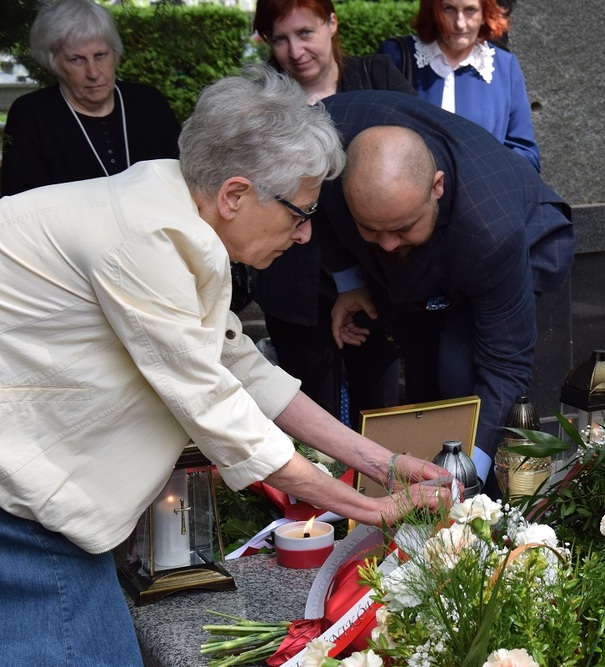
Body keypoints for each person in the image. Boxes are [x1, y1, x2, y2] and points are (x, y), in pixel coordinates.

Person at [0, 68, 451, 665]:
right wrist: (372, 509)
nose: (305, 234)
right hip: (21, 516)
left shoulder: (169, 214)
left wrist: (383, 463)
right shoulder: (146, 238)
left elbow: (242, 368)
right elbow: (214, 403)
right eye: (299, 212)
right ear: (236, 194)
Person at [318, 90, 573, 497]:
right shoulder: (323, 146)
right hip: (427, 260)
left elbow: (505, 364)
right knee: (421, 371)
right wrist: (351, 284)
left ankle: (483, 497)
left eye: (401, 228)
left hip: (521, 236)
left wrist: (465, 477)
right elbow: (321, 214)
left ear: (436, 186)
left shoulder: (492, 231)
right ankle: (419, 491)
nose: (385, 245)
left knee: (459, 365)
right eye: (370, 230)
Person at [251, 0, 413, 427]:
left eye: (305, 33)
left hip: (375, 272)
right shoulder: (261, 98)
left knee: (377, 410)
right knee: (310, 412)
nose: (295, 50)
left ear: (332, 24)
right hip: (293, 279)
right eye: (280, 39)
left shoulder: (376, 76)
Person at [0, 0, 180, 197]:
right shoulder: (31, 114)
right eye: (76, 59)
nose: (93, 72)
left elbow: (183, 181)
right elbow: (23, 204)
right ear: (53, 63)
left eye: (101, 55)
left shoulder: (148, 103)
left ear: (115, 54)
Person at [377, 0, 541, 172]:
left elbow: (527, 154)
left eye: (470, 10)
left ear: (485, 14)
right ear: (433, 11)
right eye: (449, 9)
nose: (460, 24)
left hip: (481, 194)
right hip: (410, 195)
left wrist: (488, 173)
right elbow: (371, 137)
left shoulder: (504, 66)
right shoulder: (396, 57)